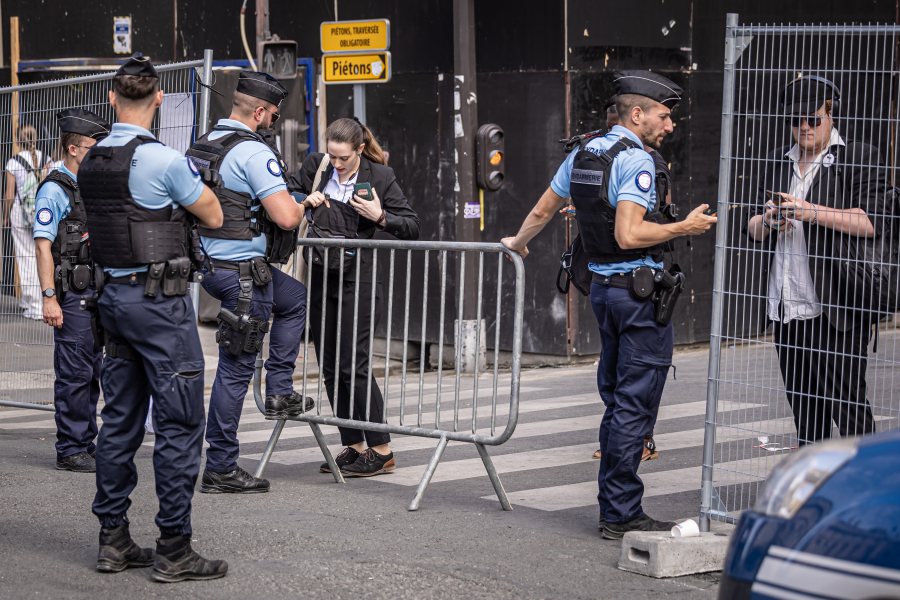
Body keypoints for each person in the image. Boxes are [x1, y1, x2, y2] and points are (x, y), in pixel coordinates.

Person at [502, 70, 715, 539]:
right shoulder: (636, 159)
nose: (670, 125)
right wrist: (685, 228)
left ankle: (614, 506)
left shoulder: (586, 150)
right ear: (637, 114)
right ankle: (620, 512)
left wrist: (517, 243)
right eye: (664, 115)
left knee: (619, 398)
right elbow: (630, 233)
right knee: (633, 404)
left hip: (602, 292)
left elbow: (543, 210)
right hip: (637, 295)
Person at [79, 53, 227, 581]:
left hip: (112, 303)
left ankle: (113, 541)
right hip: (159, 307)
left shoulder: (91, 160)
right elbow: (212, 213)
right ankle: (174, 548)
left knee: (118, 421)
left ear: (113, 99)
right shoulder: (164, 160)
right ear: (159, 99)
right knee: (181, 423)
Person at [187, 71, 311, 495]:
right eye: (272, 116)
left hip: (214, 267)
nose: (272, 123)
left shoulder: (204, 144)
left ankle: (278, 390)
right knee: (235, 372)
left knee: (294, 297)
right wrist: (304, 204)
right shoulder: (253, 153)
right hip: (242, 276)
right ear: (258, 111)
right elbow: (286, 217)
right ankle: (220, 467)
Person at [746, 76, 883, 444]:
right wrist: (768, 220)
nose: (804, 127)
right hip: (787, 307)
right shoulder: (780, 160)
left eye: (813, 118)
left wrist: (811, 211)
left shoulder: (856, 156)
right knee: (806, 415)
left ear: (830, 114)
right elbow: (751, 226)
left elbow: (872, 222)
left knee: (850, 410)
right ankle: (815, 492)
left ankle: (870, 492)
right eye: (796, 119)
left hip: (834, 308)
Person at [288, 118, 420, 477]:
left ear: (360, 150)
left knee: (354, 364)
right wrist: (304, 197)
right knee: (330, 365)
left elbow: (411, 226)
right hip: (319, 273)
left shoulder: (380, 176)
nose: (337, 163)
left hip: (357, 279)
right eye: (332, 154)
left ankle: (381, 448)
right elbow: (287, 191)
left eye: (343, 157)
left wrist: (380, 217)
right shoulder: (317, 166)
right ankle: (354, 444)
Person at [589, 94, 673, 464]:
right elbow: (627, 232)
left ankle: (636, 441)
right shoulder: (619, 156)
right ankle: (620, 489)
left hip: (626, 282)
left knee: (626, 381)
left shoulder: (643, 159)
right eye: (665, 117)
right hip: (623, 284)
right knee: (625, 382)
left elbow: (653, 217)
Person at [33, 109, 110, 473]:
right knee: (74, 374)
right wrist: (49, 296)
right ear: (74, 148)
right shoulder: (54, 189)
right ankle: (71, 448)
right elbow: (42, 245)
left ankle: (85, 442)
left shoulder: (90, 186)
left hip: (97, 293)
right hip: (72, 295)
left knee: (92, 372)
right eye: (95, 146)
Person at [5, 124, 49, 320]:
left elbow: (9, 195)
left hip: (20, 213)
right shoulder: (46, 159)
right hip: (41, 212)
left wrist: (5, 215)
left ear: (16, 140)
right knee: (41, 253)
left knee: (25, 256)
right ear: (36, 138)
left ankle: (34, 305)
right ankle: (34, 300)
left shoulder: (13, 162)